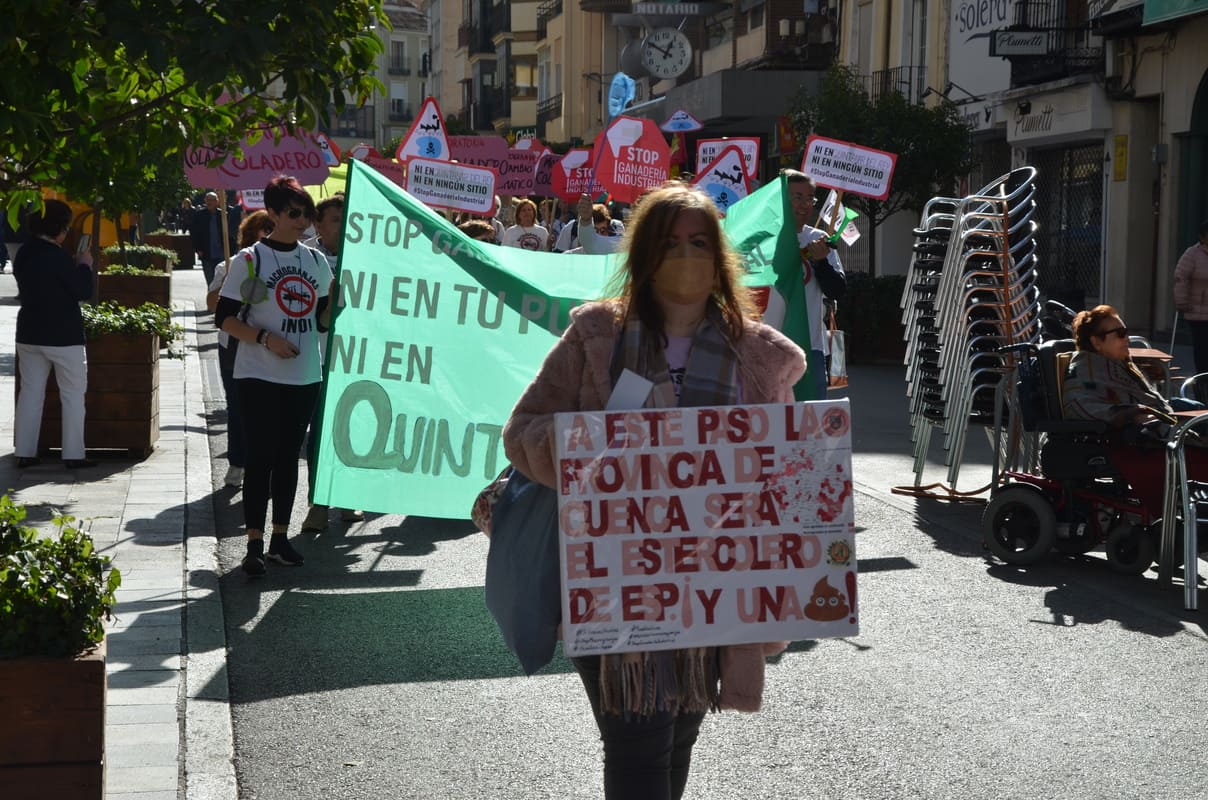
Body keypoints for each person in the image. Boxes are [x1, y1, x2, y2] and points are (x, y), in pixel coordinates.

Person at [502, 182, 806, 800]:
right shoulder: (597, 337)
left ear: (719, 254)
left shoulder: (760, 355)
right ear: (644, 254)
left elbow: (787, 473)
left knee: (677, 747)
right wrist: (588, 448)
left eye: (698, 242)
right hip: (614, 587)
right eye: (670, 244)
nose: (686, 256)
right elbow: (522, 432)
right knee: (640, 753)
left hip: (713, 590)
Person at [214, 176, 333, 576]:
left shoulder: (315, 261)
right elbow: (224, 318)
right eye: (294, 213)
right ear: (274, 213)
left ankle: (281, 539)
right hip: (258, 374)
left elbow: (321, 321)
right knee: (260, 457)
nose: (303, 222)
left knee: (287, 459)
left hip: (304, 375)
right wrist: (266, 339)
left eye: (307, 214)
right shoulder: (250, 260)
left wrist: (336, 303)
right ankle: (254, 544)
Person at [1063, 304, 1208, 513]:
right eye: (1120, 334)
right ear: (1096, 342)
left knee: (1193, 409)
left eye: (1126, 332)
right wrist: (1130, 412)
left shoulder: (1115, 363)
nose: (1127, 339)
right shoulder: (1085, 368)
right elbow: (1079, 404)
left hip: (1159, 420)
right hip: (1136, 437)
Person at [13, 199, 97, 469]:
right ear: (59, 228)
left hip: (29, 332)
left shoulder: (24, 252)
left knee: (30, 393)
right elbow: (83, 291)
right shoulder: (59, 257)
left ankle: (25, 451)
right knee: (72, 394)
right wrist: (84, 265)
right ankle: (73, 454)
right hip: (64, 335)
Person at [299, 194, 365, 531]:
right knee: (321, 433)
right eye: (336, 219)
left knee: (352, 431)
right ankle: (318, 503)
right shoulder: (306, 259)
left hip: (356, 358)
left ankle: (348, 497)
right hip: (319, 358)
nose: (343, 226)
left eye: (347, 219)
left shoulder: (367, 255)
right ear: (318, 225)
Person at [207, 210, 275, 488]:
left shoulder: (281, 265)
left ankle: (264, 467)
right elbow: (211, 304)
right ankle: (237, 463)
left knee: (268, 410)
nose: (270, 235)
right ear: (251, 234)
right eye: (265, 229)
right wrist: (227, 283)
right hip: (234, 345)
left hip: (268, 344)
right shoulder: (232, 264)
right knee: (237, 406)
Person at [784, 169, 846, 397]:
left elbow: (838, 290)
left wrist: (821, 262)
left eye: (810, 198)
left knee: (812, 415)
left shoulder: (820, 239)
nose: (804, 205)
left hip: (812, 348)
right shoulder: (765, 239)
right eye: (797, 197)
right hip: (770, 347)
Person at [1174, 220, 1208, 374]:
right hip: (1197, 311)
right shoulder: (1192, 254)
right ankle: (1202, 380)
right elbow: (1181, 278)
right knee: (1202, 349)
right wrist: (1182, 302)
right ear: (1202, 237)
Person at [190, 191, 239, 285]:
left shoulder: (224, 215)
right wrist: (198, 249)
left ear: (217, 202)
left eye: (212, 200)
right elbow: (194, 234)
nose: (209, 202)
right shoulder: (199, 215)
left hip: (222, 254)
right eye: (207, 200)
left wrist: (232, 251)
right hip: (207, 254)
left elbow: (231, 234)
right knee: (211, 282)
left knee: (223, 282)